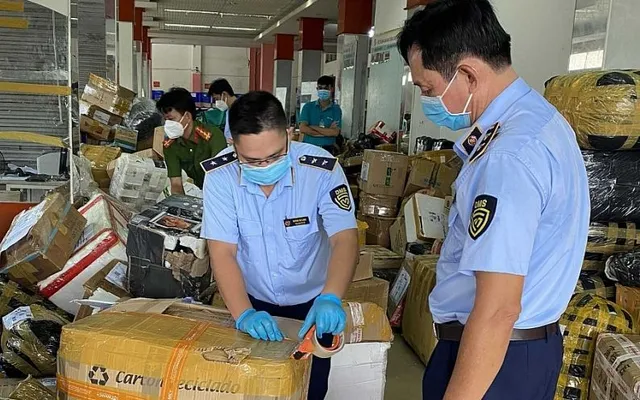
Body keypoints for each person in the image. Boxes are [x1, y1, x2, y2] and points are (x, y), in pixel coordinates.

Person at [397, 1, 589, 399]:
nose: (427, 102)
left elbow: (499, 308)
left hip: (494, 359)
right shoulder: (540, 121)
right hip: (518, 351)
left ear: (467, 74)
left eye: (428, 89)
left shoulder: (507, 156)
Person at [201, 91, 359, 400]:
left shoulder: (321, 170)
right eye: (252, 161)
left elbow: (344, 238)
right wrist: (244, 313)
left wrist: (331, 297)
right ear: (233, 144)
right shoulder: (221, 178)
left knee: (310, 387)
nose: (264, 166)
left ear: (289, 134)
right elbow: (222, 252)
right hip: (252, 301)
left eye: (274, 157)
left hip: (313, 304)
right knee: (256, 388)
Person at [156, 88, 226, 193]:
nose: (168, 124)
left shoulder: (213, 136)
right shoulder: (170, 145)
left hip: (220, 191)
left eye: (171, 119)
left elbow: (221, 177)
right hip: (198, 192)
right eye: (165, 120)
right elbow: (176, 184)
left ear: (187, 116)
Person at [299, 76, 342, 153]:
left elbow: (335, 132)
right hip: (309, 148)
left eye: (326, 88)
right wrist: (327, 132)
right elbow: (303, 129)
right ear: (317, 89)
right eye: (320, 88)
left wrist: (312, 127)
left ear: (332, 89)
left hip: (328, 149)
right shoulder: (308, 107)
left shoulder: (336, 110)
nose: (323, 91)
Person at [208, 78, 238, 143]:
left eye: (216, 99)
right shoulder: (228, 111)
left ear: (224, 94)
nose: (216, 102)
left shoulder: (241, 110)